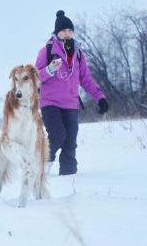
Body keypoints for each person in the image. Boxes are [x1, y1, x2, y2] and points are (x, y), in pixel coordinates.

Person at [35, 10, 109, 176]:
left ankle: (69, 178)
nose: (67, 34)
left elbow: (86, 79)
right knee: (58, 135)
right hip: (50, 103)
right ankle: (42, 163)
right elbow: (35, 78)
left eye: (70, 30)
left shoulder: (78, 53)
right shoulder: (46, 52)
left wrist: (100, 98)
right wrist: (50, 69)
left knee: (70, 143)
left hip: (71, 103)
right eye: (63, 31)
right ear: (57, 32)